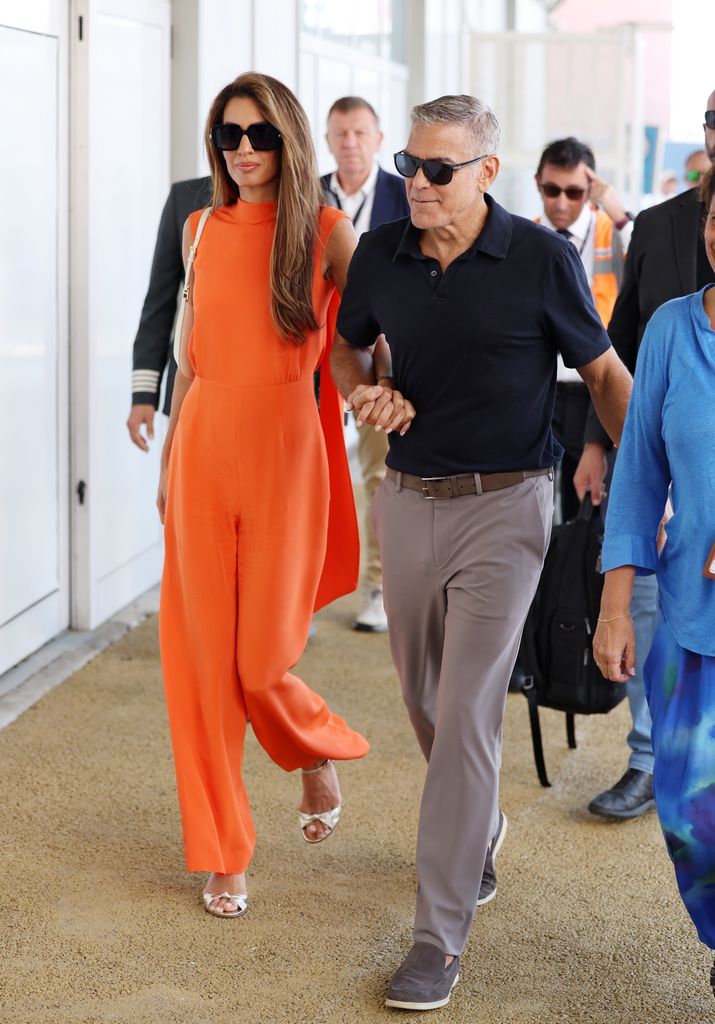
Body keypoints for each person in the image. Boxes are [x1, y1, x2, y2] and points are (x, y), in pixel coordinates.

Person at [331, 93, 633, 1010]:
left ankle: (437, 936)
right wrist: (364, 394)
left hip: (508, 507)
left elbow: (604, 375)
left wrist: (647, 486)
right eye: (406, 168)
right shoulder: (382, 252)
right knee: (426, 702)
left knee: (465, 712)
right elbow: (347, 354)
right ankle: (480, 823)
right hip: (409, 501)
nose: (416, 184)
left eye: (436, 170)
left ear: (485, 173)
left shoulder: (539, 258)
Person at [157, 72, 369, 919]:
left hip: (287, 452)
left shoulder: (325, 231)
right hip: (202, 447)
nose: (242, 149)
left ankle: (314, 751)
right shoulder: (198, 227)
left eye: (259, 135)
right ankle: (223, 853)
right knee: (201, 666)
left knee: (258, 658)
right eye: (227, 136)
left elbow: (372, 332)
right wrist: (171, 447)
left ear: (288, 139)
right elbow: (191, 351)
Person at [593, 165, 715, 1000]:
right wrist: (614, 600)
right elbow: (638, 473)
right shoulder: (672, 328)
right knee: (688, 819)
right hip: (686, 616)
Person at [576, 90, 715, 820]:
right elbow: (621, 344)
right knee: (692, 817)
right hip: (666, 473)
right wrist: (599, 443)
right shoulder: (659, 232)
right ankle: (644, 756)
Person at [322, 96, 410, 632]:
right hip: (315, 361)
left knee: (379, 474)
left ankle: (378, 583)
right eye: (339, 134)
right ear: (327, 141)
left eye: (359, 133)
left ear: (378, 140)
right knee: (313, 478)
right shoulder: (307, 197)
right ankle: (304, 589)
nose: (350, 142)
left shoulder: (408, 196)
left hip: (382, 357)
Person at [534, 135, 632, 523]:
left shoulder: (612, 231)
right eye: (551, 189)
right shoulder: (530, 235)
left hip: (595, 389)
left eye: (573, 192)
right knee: (537, 501)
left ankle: (578, 583)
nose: (561, 202)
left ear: (590, 190)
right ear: (537, 183)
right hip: (543, 390)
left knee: (586, 509)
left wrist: (618, 212)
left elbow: (651, 262)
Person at [127, 175, 212, 450]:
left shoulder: (292, 199)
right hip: (189, 386)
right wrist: (143, 394)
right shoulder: (184, 198)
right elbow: (159, 302)